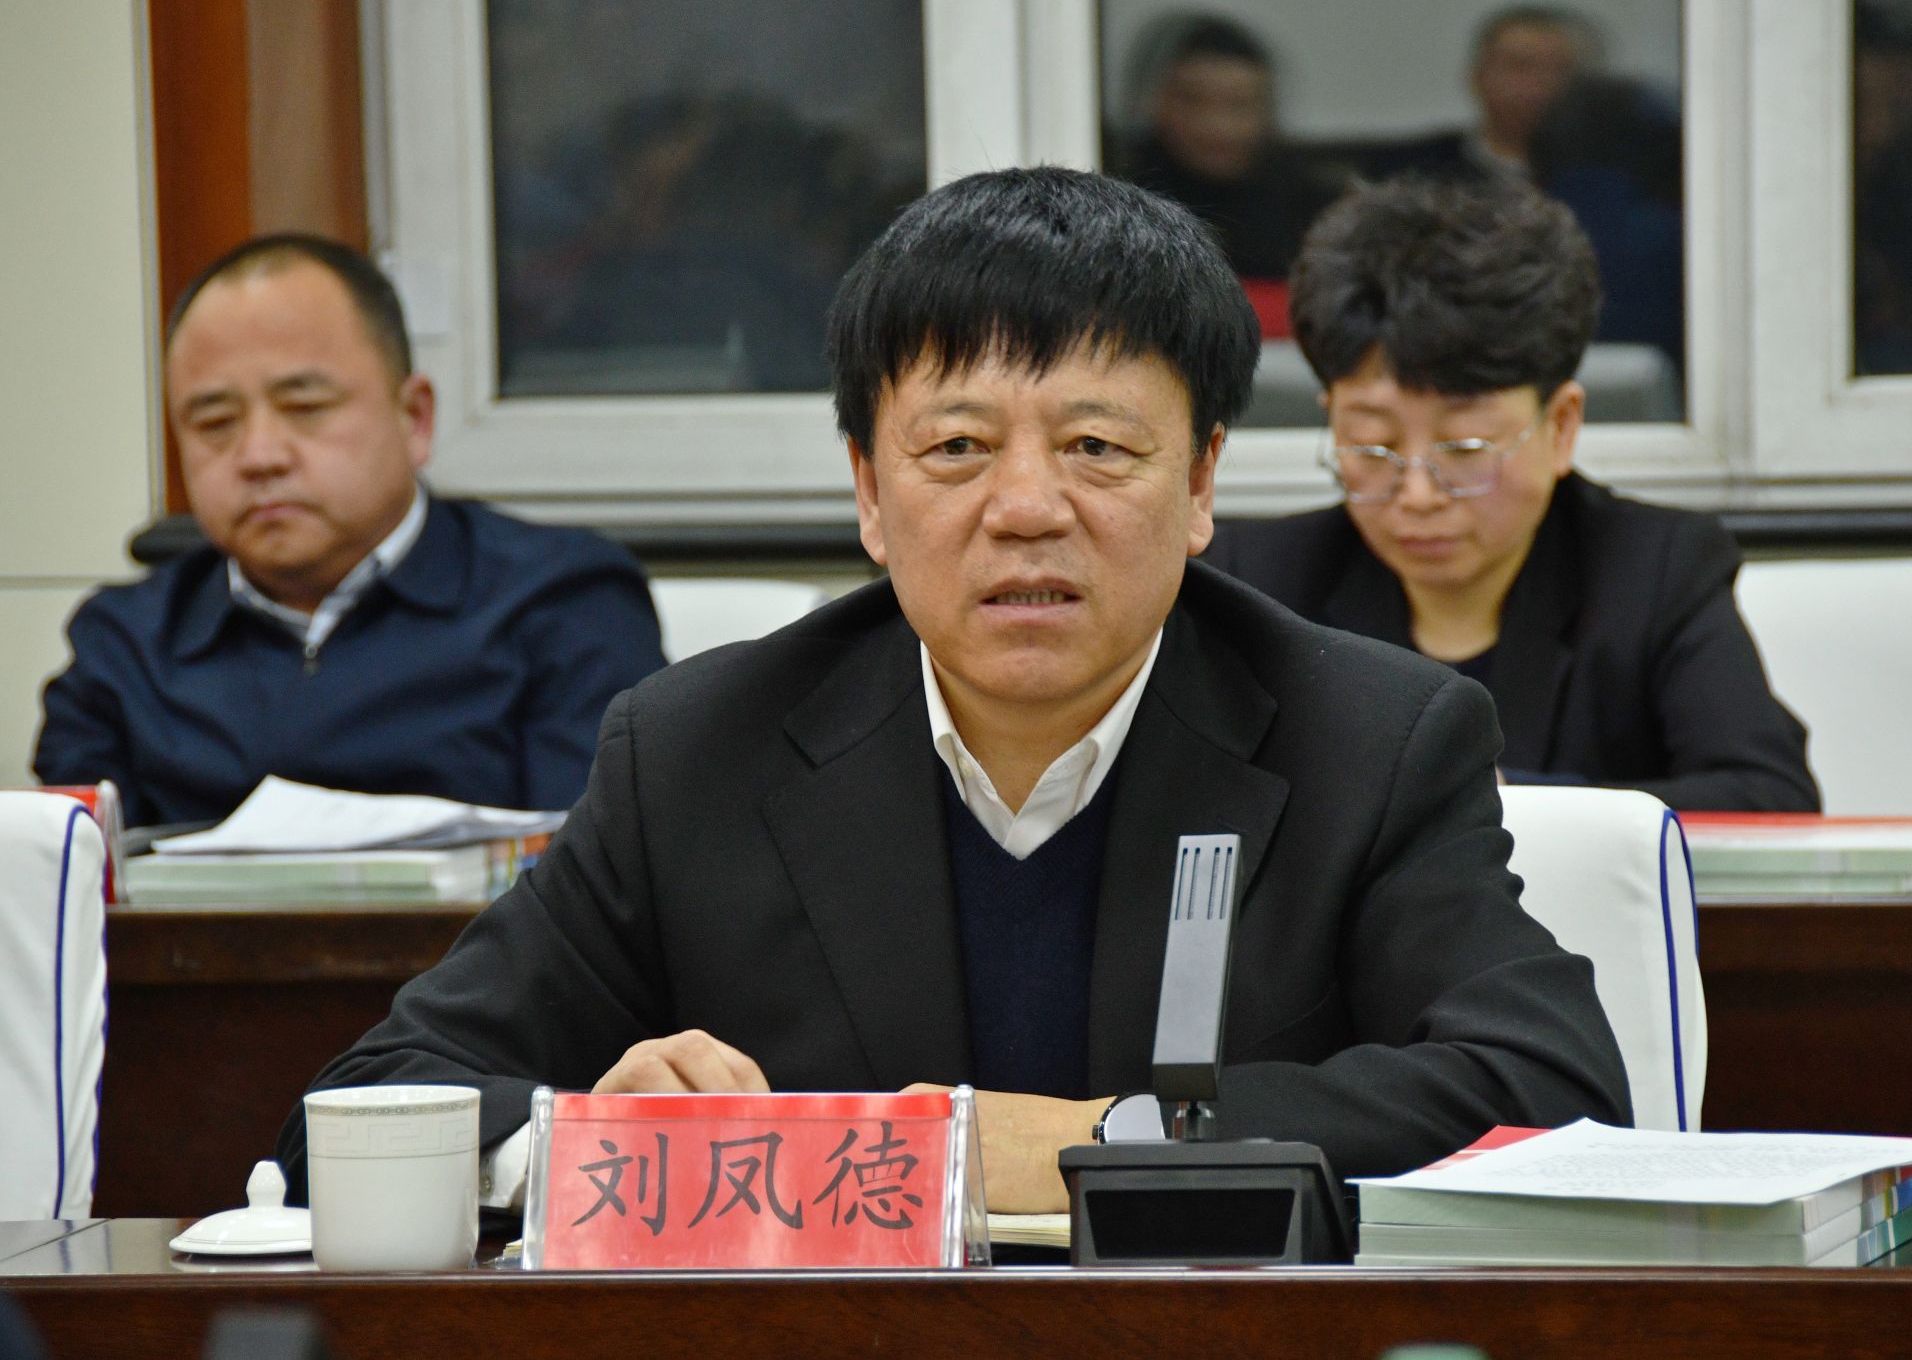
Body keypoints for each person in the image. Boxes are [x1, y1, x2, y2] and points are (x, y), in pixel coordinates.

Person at [276, 168, 1629, 1213]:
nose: (1025, 506)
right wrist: (591, 1137)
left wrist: (1110, 1138)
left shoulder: (1368, 739)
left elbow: (1553, 1086)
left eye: (1096, 446)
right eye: (958, 448)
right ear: (870, 491)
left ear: (1201, 482)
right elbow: (364, 1105)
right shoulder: (696, 751)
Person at [1206, 178, 1818, 812]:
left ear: (1561, 427)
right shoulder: (1256, 582)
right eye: (1372, 447)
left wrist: (1500, 806)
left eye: (1465, 449)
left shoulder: (1655, 571)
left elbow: (1770, 802)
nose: (1417, 494)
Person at [34, 235, 666, 825]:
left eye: (305, 407)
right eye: (215, 422)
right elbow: (76, 883)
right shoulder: (125, 644)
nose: (259, 456)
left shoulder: (562, 601)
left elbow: (596, 876)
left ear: (414, 418)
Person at [1110, 15, 1341, 306]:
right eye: (1194, 100)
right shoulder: (1120, 208)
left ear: (1268, 110)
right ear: (1156, 102)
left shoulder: (1319, 216)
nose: (1218, 124)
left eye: (1239, 104)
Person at [1359, 4, 1599, 184]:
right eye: (1520, 66)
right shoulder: (1408, 170)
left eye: (1561, 70)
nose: (1541, 83)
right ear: (1478, 76)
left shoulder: (1605, 175)